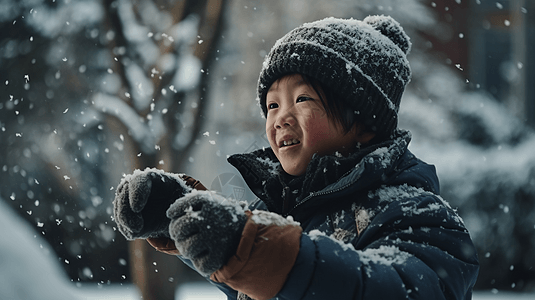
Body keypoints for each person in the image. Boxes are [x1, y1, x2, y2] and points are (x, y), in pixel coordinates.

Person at [112, 15, 479, 300]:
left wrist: (258, 250)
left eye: (302, 99)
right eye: (272, 105)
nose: (281, 118)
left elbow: (387, 288)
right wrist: (184, 214)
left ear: (365, 123)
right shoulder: (287, 208)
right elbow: (268, 284)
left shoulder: (421, 218)